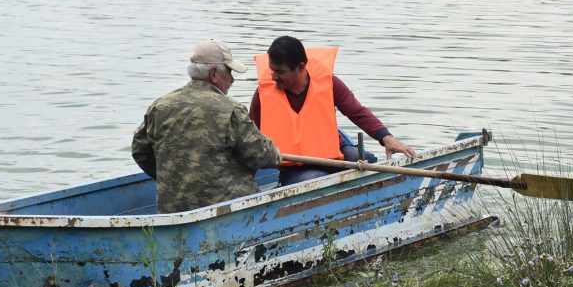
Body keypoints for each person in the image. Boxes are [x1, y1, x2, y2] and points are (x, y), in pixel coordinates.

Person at [132, 40, 281, 213]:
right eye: (229, 72)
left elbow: (140, 151)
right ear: (214, 74)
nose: (232, 79)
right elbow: (264, 156)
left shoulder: (160, 107)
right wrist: (276, 153)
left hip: (171, 210)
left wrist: (172, 177)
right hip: (225, 211)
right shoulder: (230, 110)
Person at [249, 35, 416, 186]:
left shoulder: (329, 84)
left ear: (300, 68)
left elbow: (357, 112)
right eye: (272, 70)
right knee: (315, 179)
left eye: (280, 72)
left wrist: (386, 137)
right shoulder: (264, 94)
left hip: (334, 153)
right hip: (295, 165)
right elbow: (249, 138)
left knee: (368, 160)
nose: (273, 77)